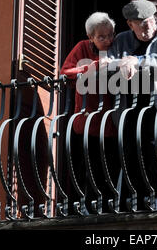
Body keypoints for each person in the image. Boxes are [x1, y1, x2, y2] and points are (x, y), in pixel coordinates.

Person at [106, 0, 157, 210]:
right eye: (142, 23)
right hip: (129, 112)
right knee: (130, 157)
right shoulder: (121, 40)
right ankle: (129, 207)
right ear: (130, 24)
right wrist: (121, 62)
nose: (148, 26)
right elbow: (106, 65)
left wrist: (138, 62)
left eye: (150, 21)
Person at [60, 12, 119, 214]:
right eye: (102, 37)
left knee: (108, 167)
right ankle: (83, 208)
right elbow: (65, 72)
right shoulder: (82, 48)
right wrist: (92, 66)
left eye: (110, 35)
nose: (108, 40)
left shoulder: (117, 48)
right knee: (87, 166)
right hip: (86, 120)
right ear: (91, 37)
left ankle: (107, 207)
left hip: (111, 120)